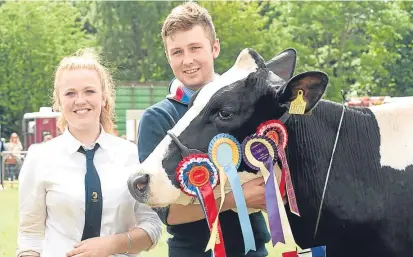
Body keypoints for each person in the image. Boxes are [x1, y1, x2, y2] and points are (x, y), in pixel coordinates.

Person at [137, 2, 270, 257]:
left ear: (215, 47)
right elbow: (170, 213)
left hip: (253, 250)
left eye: (195, 48)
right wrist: (236, 198)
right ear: (168, 56)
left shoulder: (247, 109)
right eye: (177, 52)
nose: (187, 60)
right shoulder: (157, 119)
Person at [16, 49, 162, 257]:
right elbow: (30, 236)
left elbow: (152, 227)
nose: (80, 100)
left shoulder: (133, 157)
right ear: (58, 100)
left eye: (89, 91)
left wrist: (112, 245)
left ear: (104, 98)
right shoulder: (39, 158)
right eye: (70, 93)